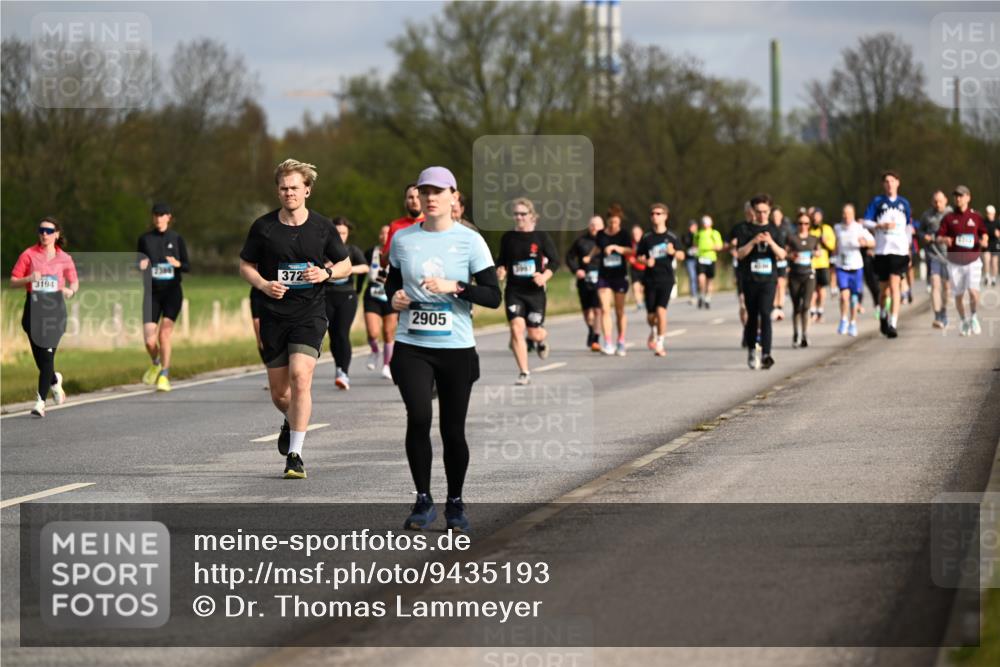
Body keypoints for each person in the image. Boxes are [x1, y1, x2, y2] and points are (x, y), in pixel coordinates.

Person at [386, 166, 500, 533]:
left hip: (456, 347)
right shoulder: (403, 240)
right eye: (424, 191)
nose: (430, 197)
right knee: (418, 418)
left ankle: (455, 502)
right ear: (418, 197)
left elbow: (493, 296)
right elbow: (389, 287)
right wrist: (396, 299)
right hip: (412, 345)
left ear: (454, 196)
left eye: (438, 191)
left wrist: (456, 286)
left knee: (453, 429)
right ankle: (423, 499)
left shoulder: (470, 241)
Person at [239, 159, 351, 479]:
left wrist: (326, 273)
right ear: (278, 191)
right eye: (283, 188)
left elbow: (343, 264)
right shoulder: (263, 227)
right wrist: (263, 284)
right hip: (273, 314)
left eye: (294, 188)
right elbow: (245, 265)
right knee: (280, 394)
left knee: (301, 377)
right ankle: (290, 419)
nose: (289, 193)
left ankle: (295, 455)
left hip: (310, 312)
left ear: (307, 190)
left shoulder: (322, 227)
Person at [10, 217, 79, 417]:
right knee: (41, 360)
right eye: (41, 230)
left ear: (57, 234)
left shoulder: (65, 258)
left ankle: (40, 401)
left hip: (55, 311)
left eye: (49, 231)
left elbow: (74, 282)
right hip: (32, 310)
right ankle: (54, 381)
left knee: (47, 356)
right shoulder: (28, 255)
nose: (44, 234)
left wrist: (70, 291)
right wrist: (29, 278)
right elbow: (13, 281)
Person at [496, 198, 559, 385]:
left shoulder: (541, 237)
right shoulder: (508, 238)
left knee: (534, 334)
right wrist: (501, 270)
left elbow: (555, 261)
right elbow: (502, 261)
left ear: (532, 216)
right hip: (514, 290)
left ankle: (541, 340)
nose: (519, 217)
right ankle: (524, 372)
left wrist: (544, 277)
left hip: (535, 292)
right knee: (516, 329)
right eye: (516, 214)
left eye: (523, 214)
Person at [137, 203, 190, 392]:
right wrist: (140, 264)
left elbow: (187, 266)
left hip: (172, 293)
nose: (159, 218)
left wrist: (177, 263)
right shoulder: (145, 239)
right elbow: (138, 261)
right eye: (156, 215)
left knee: (164, 334)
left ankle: (164, 375)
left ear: (169, 217)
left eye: (162, 215)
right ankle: (156, 363)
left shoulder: (176, 239)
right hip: (152, 293)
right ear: (153, 218)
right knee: (150, 340)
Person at [734, 194, 787, 369]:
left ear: (769, 211)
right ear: (753, 211)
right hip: (750, 280)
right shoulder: (744, 229)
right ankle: (751, 349)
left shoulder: (775, 230)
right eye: (758, 212)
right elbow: (740, 254)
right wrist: (753, 241)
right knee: (752, 316)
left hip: (768, 280)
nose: (762, 215)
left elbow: (782, 255)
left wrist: (770, 242)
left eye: (765, 211)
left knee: (765, 314)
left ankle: (766, 354)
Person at [861, 170, 912, 339]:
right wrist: (880, 225)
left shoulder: (904, 203)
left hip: (899, 251)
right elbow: (865, 222)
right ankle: (883, 315)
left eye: (892, 181)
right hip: (882, 250)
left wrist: (909, 249)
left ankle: (893, 323)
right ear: (883, 185)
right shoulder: (877, 202)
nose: (890, 184)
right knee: (884, 291)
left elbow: (908, 227)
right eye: (886, 181)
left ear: (898, 183)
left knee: (895, 285)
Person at [936, 185, 989, 336]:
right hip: (954, 262)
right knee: (958, 295)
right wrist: (944, 239)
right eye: (956, 196)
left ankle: (973, 316)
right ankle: (964, 320)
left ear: (968, 197)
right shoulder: (948, 218)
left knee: (973, 291)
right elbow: (938, 236)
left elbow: (984, 233)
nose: (958, 198)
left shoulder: (976, 217)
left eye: (961, 195)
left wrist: (984, 240)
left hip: (973, 260)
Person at [325, 217, 369, 390]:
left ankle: (344, 372)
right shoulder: (323, 250)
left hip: (347, 296)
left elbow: (365, 267)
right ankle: (338, 367)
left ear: (348, 234)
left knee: (342, 333)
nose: (340, 236)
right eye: (337, 232)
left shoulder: (351, 250)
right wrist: (327, 267)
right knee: (333, 335)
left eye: (343, 233)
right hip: (326, 295)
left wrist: (347, 268)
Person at [636, 203, 684, 357]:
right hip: (650, 279)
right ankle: (654, 330)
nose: (654, 216)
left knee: (661, 310)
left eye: (658, 213)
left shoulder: (672, 236)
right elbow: (638, 255)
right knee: (651, 316)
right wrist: (644, 261)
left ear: (665, 216)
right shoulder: (647, 237)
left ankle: (660, 343)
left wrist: (673, 252)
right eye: (652, 214)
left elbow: (682, 255)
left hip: (666, 278)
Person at [589, 204, 632, 355]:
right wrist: (590, 255)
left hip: (619, 276)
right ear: (607, 221)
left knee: (619, 311)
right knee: (605, 309)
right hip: (604, 276)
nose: (613, 225)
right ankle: (608, 342)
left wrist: (617, 248)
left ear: (619, 221)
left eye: (616, 222)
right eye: (611, 222)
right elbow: (598, 247)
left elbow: (631, 250)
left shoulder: (624, 234)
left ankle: (621, 340)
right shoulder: (601, 234)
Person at [833, 204, 875, 337]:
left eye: (849, 214)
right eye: (844, 214)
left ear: (853, 215)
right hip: (842, 266)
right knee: (844, 296)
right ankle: (843, 319)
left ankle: (853, 323)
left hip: (856, 266)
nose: (846, 217)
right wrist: (833, 257)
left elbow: (872, 242)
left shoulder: (859, 228)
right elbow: (835, 245)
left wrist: (865, 243)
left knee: (854, 298)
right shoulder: (838, 228)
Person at [361, 225, 396, 378]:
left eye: (388, 234)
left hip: (390, 295)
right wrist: (356, 289)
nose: (384, 236)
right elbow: (362, 271)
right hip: (372, 294)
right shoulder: (370, 252)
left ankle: (387, 365)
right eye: (382, 233)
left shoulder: (397, 252)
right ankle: (375, 351)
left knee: (388, 333)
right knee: (372, 332)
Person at [566, 216, 604, 351]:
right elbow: (569, 257)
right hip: (584, 280)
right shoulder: (581, 241)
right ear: (589, 226)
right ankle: (591, 329)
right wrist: (576, 270)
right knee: (587, 311)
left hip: (600, 280)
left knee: (598, 310)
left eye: (597, 225)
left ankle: (596, 338)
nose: (594, 227)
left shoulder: (605, 241)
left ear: (602, 226)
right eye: (592, 225)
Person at [785, 212, 819, 348]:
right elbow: (784, 253)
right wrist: (791, 256)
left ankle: (805, 334)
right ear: (796, 225)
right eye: (800, 223)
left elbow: (819, 251)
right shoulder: (791, 238)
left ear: (809, 225)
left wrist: (815, 253)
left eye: (806, 223)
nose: (803, 226)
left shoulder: (813, 238)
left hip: (808, 275)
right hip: (794, 275)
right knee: (796, 307)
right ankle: (796, 334)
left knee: (806, 305)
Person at [920, 190, 953, 328]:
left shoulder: (952, 213)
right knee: (935, 284)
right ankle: (937, 315)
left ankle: (944, 311)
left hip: (949, 256)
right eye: (935, 201)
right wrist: (924, 236)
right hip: (933, 255)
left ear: (946, 200)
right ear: (931, 202)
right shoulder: (927, 215)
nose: (938, 204)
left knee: (946, 287)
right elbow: (920, 231)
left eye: (940, 201)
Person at [807, 207, 836, 322]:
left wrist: (825, 242)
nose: (815, 218)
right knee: (812, 289)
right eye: (814, 216)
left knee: (821, 289)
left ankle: (820, 310)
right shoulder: (808, 230)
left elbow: (833, 246)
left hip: (823, 263)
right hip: (811, 264)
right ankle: (812, 311)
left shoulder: (827, 229)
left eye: (817, 216)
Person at [694, 215, 724, 309]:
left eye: (707, 222)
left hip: (711, 258)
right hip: (700, 258)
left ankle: (707, 298)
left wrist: (710, 247)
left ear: (711, 223)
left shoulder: (714, 233)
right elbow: (695, 245)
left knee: (709, 280)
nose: (705, 224)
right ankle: (701, 295)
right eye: (704, 222)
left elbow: (720, 246)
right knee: (700, 278)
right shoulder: (698, 233)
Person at [771, 206, 790, 321]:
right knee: (774, 283)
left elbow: (789, 244)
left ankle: (780, 307)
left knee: (781, 283)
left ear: (781, 216)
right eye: (773, 216)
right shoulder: (769, 229)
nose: (776, 217)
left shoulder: (785, 229)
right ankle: (774, 307)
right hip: (772, 261)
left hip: (782, 260)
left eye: (777, 215)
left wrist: (784, 254)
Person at [628, 223, 647, 311]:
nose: (636, 235)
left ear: (641, 233)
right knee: (635, 287)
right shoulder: (630, 244)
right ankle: (639, 303)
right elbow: (627, 254)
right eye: (634, 233)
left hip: (645, 268)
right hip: (634, 268)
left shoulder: (646, 242)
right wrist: (630, 259)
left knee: (643, 288)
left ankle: (644, 301)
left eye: (637, 233)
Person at [681, 219, 699, 305]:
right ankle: (693, 295)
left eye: (694, 226)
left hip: (699, 259)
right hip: (689, 259)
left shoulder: (700, 235)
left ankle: (700, 294)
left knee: (699, 277)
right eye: (692, 226)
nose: (693, 228)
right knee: (692, 277)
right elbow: (685, 244)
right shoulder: (686, 235)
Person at [985, 204, 999, 287]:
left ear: (994, 214)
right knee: (986, 260)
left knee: (994, 262)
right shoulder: (984, 222)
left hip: (995, 243)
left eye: (991, 213)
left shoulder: (997, 222)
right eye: (988, 213)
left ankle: (993, 278)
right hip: (987, 243)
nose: (989, 215)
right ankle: (987, 276)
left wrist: (998, 234)